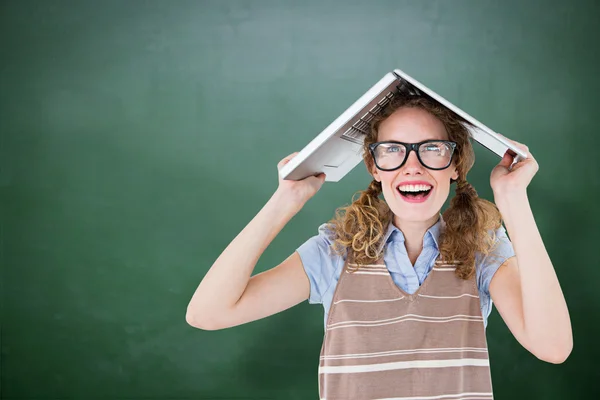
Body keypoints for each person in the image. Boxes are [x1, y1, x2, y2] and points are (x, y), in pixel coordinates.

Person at [186, 92, 572, 399]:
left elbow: (552, 347)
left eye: (432, 148)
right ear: (373, 167)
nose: (412, 166)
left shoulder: (484, 248)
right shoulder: (334, 252)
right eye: (392, 150)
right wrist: (284, 201)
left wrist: (514, 200)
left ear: (456, 164)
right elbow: (208, 313)